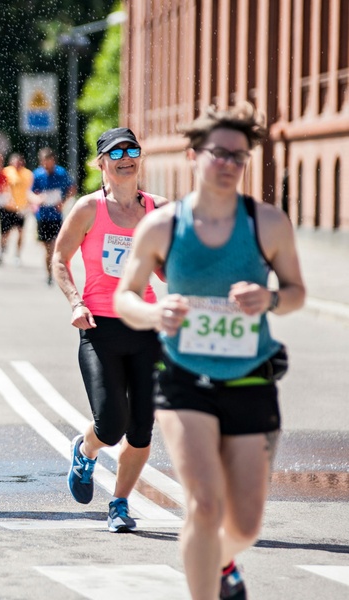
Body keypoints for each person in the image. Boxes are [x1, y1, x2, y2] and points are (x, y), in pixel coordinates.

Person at [113, 103, 305, 600]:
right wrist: (157, 314)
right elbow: (124, 296)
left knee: (244, 523)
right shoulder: (163, 226)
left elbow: (297, 291)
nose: (228, 164)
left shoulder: (268, 224)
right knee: (202, 506)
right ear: (193, 155)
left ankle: (221, 561)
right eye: (218, 153)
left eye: (239, 157)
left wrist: (272, 299)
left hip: (250, 379)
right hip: (183, 379)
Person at [51, 127, 168, 533]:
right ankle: (84, 451)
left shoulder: (159, 210)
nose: (125, 157)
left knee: (140, 429)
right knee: (111, 423)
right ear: (100, 163)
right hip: (99, 326)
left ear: (140, 158)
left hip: (146, 327)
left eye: (132, 149)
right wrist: (75, 301)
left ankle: (119, 503)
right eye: (115, 152)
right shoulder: (88, 209)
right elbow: (60, 260)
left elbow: (172, 270)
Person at [32, 147, 76, 284]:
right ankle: (49, 273)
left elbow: (72, 189)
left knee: (55, 245)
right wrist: (37, 199)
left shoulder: (61, 173)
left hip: (56, 216)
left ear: (53, 160)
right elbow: (30, 193)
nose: (46, 165)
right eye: (43, 163)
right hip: (42, 216)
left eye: (48, 162)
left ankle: (57, 271)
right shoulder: (37, 175)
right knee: (47, 248)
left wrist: (63, 202)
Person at [2, 153, 34, 267]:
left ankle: (17, 254)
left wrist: (30, 204)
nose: (17, 164)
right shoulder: (6, 172)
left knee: (20, 232)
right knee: (6, 233)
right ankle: (3, 248)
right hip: (9, 207)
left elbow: (31, 189)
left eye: (19, 162)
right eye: (15, 162)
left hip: (21, 208)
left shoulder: (28, 174)